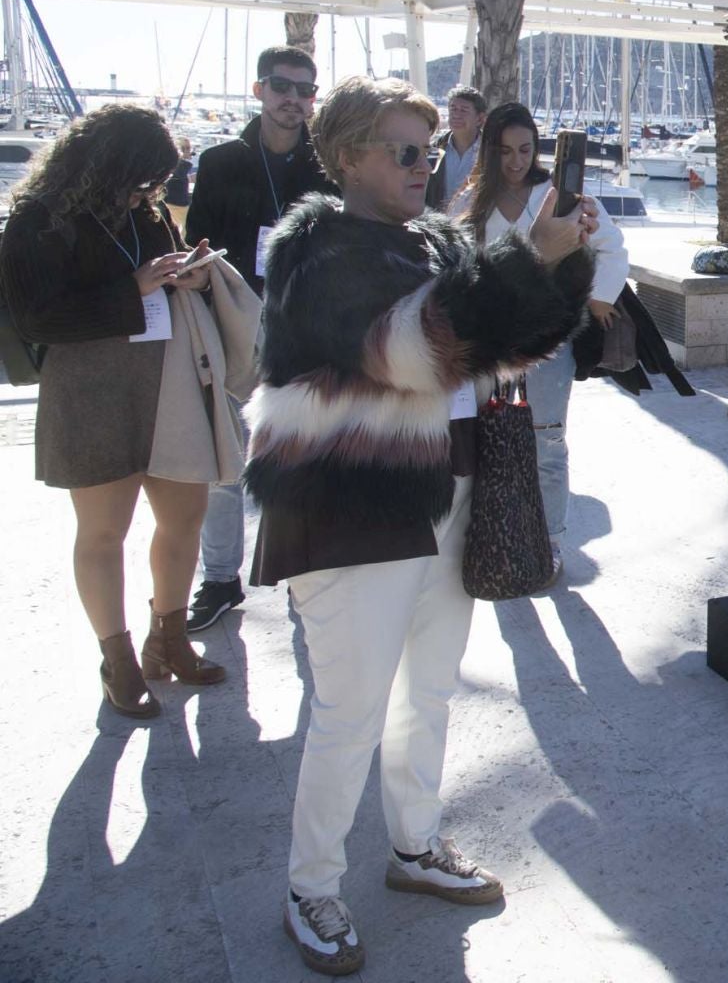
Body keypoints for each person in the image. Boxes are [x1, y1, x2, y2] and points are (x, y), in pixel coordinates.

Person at [245, 76, 593, 976]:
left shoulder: (432, 237)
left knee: (427, 692)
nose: (423, 165)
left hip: (446, 495)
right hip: (353, 505)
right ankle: (311, 884)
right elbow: (414, 348)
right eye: (403, 151)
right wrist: (523, 259)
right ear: (349, 155)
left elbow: (503, 343)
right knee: (349, 712)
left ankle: (415, 847)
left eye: (429, 151)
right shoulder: (317, 249)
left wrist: (559, 263)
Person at [0, 105, 229, 718]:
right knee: (104, 533)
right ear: (106, 164)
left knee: (185, 516)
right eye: (142, 177)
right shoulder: (35, 222)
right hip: (89, 391)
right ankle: (118, 660)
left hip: (166, 380)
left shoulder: (148, 214)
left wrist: (188, 273)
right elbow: (36, 318)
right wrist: (134, 288)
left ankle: (168, 639)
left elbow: (162, 275)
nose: (149, 191)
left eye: (156, 180)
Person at [182, 46, 335, 633]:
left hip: (304, 328)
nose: (292, 98)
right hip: (234, 325)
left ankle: (302, 576)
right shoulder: (221, 161)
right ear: (259, 89)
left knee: (301, 459)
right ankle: (221, 578)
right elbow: (200, 241)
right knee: (224, 460)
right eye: (281, 86)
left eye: (304, 89)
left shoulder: (324, 166)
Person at [457, 101, 624, 543]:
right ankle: (498, 538)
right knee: (488, 439)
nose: (515, 161)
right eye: (504, 151)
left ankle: (549, 544)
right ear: (489, 151)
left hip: (550, 339)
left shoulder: (559, 197)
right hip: (490, 341)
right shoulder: (473, 201)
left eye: (525, 149)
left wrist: (599, 299)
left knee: (547, 443)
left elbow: (613, 247)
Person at [425, 84, 486, 211]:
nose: (456, 115)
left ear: (480, 119)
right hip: (438, 225)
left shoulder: (489, 153)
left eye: (463, 110)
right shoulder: (433, 151)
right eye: (453, 109)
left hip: (475, 224)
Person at [164, 135, 194, 228]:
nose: (191, 151)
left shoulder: (173, 165)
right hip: (177, 205)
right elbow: (179, 175)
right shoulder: (180, 166)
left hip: (175, 203)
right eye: (188, 148)